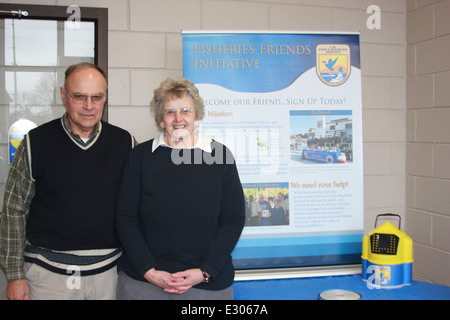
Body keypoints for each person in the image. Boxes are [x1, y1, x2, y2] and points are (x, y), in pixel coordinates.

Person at [0, 62, 136, 300]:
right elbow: (13, 211)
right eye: (79, 96)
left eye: (97, 97)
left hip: (109, 277)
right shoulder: (35, 143)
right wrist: (14, 275)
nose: (88, 106)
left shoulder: (125, 143)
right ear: (64, 95)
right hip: (47, 279)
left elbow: (138, 209)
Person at [115, 78, 245, 300]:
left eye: (186, 110)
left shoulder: (220, 156)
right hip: (145, 284)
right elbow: (126, 218)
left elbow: (233, 220)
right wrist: (148, 270)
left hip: (206, 285)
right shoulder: (141, 157)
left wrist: (204, 271)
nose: (178, 119)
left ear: (198, 116)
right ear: (160, 120)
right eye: (170, 112)